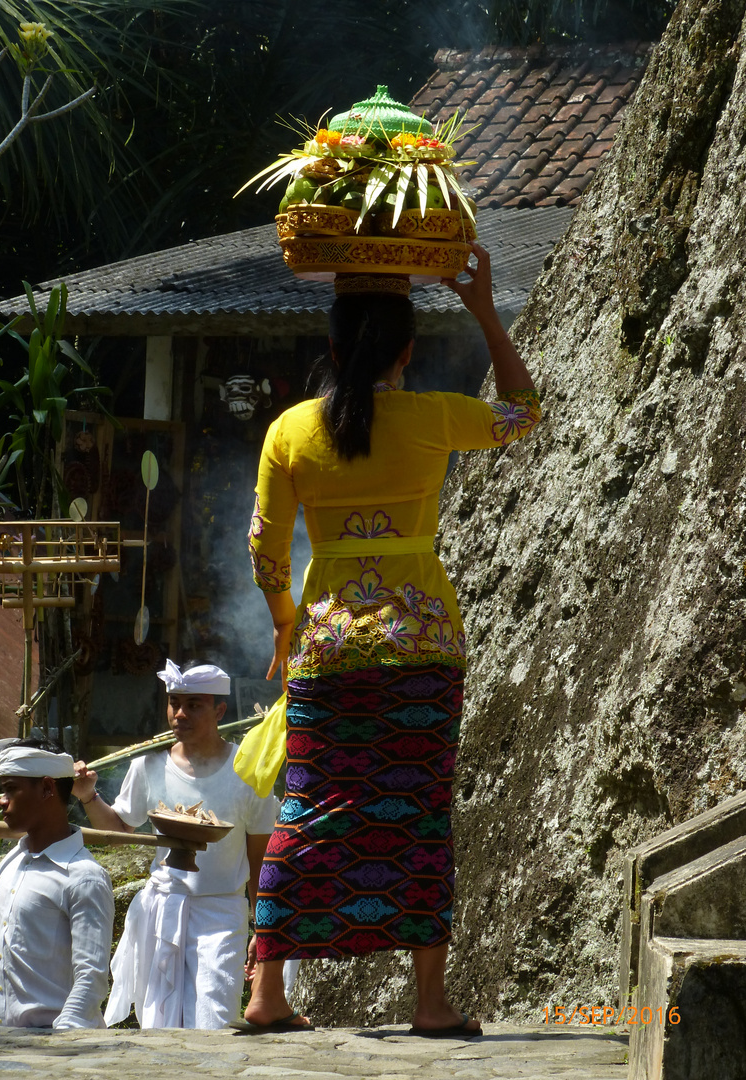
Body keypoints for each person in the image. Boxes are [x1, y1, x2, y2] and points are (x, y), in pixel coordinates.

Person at [243, 242, 542, 1035]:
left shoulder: (291, 430)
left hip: (327, 654)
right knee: (418, 814)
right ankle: (431, 1003)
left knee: (304, 812)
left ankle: (267, 996)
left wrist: (284, 625)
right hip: (422, 651)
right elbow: (524, 412)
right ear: (407, 349)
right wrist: (484, 310)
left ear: (332, 346)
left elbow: (265, 548)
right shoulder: (434, 417)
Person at [73, 659, 278, 1029]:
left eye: (193, 705)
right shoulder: (148, 765)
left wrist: (262, 929)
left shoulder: (247, 771)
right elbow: (119, 831)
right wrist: (88, 796)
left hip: (221, 912)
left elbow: (260, 859)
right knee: (158, 1024)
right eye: (174, 703)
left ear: (220, 710)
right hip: (162, 908)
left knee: (214, 1018)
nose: (179, 714)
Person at [0, 737, 114, 1031]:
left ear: (47, 788)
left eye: (10, 789)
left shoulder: (84, 876)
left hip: (54, 1047)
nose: (1, 800)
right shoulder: (13, 862)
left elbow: (91, 979)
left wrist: (59, 1044)